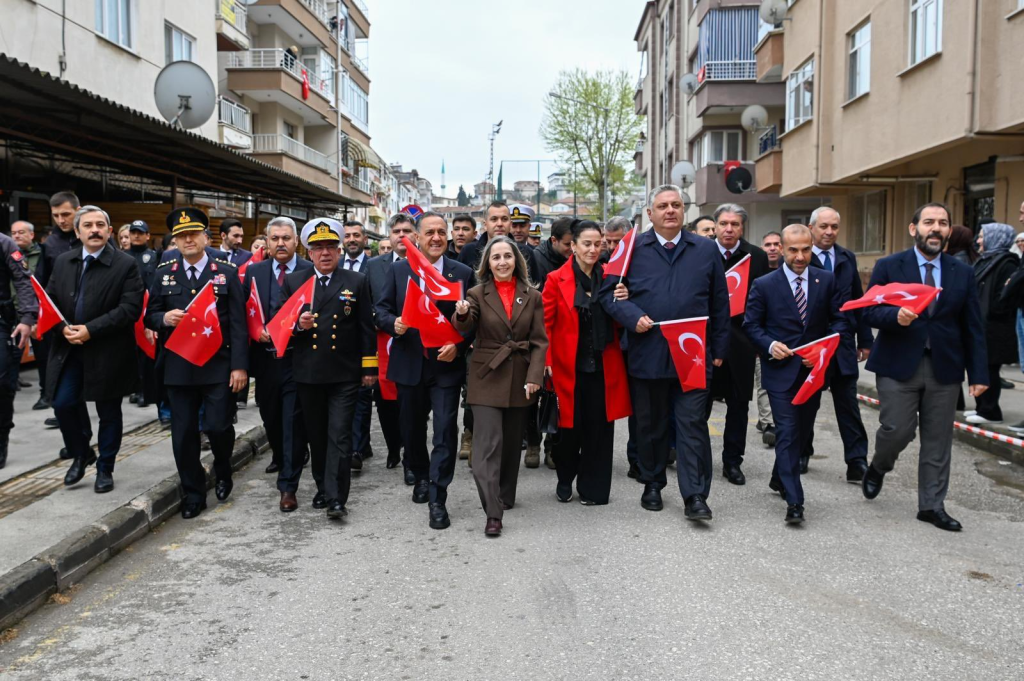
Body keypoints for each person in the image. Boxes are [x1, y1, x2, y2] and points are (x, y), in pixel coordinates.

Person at [600, 185, 730, 519]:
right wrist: (632, 317)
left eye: (675, 205)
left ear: (683, 210)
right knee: (650, 424)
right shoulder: (631, 248)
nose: (670, 210)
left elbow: (720, 301)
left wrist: (719, 346)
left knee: (692, 426)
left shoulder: (705, 249)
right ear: (650, 213)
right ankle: (653, 482)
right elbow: (607, 294)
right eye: (662, 206)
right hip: (648, 351)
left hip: (694, 355)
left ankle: (696, 496)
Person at [861, 203, 988, 532]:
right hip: (897, 364)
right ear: (913, 228)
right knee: (897, 429)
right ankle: (878, 465)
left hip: (944, 367)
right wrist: (896, 317)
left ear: (948, 231)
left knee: (938, 439)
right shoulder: (890, 266)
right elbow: (870, 312)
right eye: (929, 222)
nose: (936, 228)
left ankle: (931, 506)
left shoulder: (963, 272)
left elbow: (973, 326)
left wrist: (979, 375)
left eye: (943, 223)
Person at [145, 208, 248, 520]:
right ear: (175, 241)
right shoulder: (164, 273)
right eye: (181, 235)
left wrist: (239, 367)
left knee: (218, 426)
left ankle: (222, 467)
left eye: (193, 233)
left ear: (206, 237)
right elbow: (149, 314)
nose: (188, 239)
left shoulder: (226, 272)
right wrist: (163, 318)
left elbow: (239, 325)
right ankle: (193, 493)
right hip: (179, 366)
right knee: (184, 434)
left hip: (218, 365)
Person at [743, 225, 847, 524]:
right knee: (787, 432)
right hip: (779, 373)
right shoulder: (764, 284)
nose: (800, 256)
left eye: (805, 249)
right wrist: (771, 345)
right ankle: (795, 501)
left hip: (812, 374)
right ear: (781, 249)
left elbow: (839, 321)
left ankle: (779, 478)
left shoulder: (826, 280)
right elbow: (752, 326)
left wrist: (825, 349)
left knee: (800, 434)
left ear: (812, 247)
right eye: (793, 250)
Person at [376, 212, 473, 529]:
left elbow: (475, 320)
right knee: (412, 430)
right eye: (429, 232)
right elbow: (380, 310)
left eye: (441, 232)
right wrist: (394, 324)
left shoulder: (462, 273)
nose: (435, 237)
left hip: (446, 366)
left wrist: (459, 344)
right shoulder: (398, 271)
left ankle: (438, 496)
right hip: (409, 364)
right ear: (416, 238)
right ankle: (419, 473)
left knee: (445, 430)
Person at [282, 218, 377, 520]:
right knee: (317, 435)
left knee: (340, 434)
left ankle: (337, 498)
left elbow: (366, 328)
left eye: (330, 247)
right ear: (308, 252)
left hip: (344, 372)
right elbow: (281, 326)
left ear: (339, 251)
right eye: (318, 248)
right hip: (309, 373)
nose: (325, 253)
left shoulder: (355, 281)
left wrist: (369, 368)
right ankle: (323, 487)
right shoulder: (294, 282)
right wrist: (298, 325)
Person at [453, 237, 547, 536]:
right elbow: (465, 326)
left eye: (508, 256)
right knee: (486, 448)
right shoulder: (476, 293)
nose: (503, 262)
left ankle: (505, 494)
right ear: (488, 264)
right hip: (486, 374)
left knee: (510, 445)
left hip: (520, 377)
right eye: (496, 258)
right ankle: (493, 512)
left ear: (516, 261)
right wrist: (463, 312)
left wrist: (534, 377)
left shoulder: (531, 295)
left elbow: (539, 341)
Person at [46, 206, 143, 492]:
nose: (95, 230)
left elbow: (129, 309)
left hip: (108, 351)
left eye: (101, 224)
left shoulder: (125, 264)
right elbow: (49, 301)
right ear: (77, 232)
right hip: (70, 347)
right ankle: (81, 452)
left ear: (110, 231)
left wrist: (91, 330)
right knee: (63, 403)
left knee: (109, 411)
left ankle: (105, 468)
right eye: (87, 225)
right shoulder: (64, 261)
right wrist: (62, 327)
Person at [542, 220, 631, 505]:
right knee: (569, 431)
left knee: (600, 432)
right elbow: (545, 324)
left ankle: (593, 489)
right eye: (587, 244)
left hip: (603, 367)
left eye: (598, 244)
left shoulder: (611, 278)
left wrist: (624, 300)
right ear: (574, 247)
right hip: (567, 367)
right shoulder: (556, 279)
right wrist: (545, 362)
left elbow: (620, 322)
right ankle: (566, 477)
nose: (593, 249)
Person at [243, 217, 312, 511]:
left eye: (286, 238)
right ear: (267, 242)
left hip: (299, 358)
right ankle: (286, 457)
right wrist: (254, 330)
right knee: (271, 418)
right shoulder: (254, 272)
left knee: (292, 422)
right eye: (275, 239)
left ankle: (288, 486)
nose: (281, 243)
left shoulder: (311, 271)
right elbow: (245, 309)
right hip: (266, 359)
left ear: (296, 242)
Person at [806, 207, 873, 481]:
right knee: (807, 404)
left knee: (848, 405)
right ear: (811, 228)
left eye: (834, 226)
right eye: (824, 226)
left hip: (843, 344)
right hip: (812, 346)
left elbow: (859, 301)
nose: (829, 232)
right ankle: (800, 452)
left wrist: (866, 339)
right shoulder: (801, 257)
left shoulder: (846, 257)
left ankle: (857, 461)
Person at [708, 203, 771, 486]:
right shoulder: (702, 252)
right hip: (705, 342)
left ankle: (732, 462)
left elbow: (764, 300)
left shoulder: (756, 257)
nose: (729, 229)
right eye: (723, 224)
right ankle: (696, 459)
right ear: (716, 226)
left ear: (742, 227)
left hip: (742, 343)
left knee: (738, 406)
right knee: (699, 405)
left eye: (734, 224)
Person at [364, 213, 415, 474]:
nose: (401, 235)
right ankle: (394, 447)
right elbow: (366, 302)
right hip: (381, 343)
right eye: (396, 231)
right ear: (389, 235)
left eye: (407, 230)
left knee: (411, 402)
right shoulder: (373, 266)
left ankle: (410, 452)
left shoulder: (423, 263)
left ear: (415, 234)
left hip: (415, 345)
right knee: (385, 403)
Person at [962, 223, 1018, 425]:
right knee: (979, 365)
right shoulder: (985, 261)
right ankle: (981, 407)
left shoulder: (1007, 263)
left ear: (996, 238)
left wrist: (993, 312)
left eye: (982, 236)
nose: (978, 240)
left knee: (989, 368)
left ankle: (990, 410)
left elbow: (1005, 297)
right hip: (980, 323)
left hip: (995, 327)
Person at [0, 230, 37, 469]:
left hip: (2, 323)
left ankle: (1, 435)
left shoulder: (4, 243)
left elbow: (23, 280)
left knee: (3, 383)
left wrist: (27, 318)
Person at [341, 220, 373, 467]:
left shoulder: (374, 267)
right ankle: (353, 446)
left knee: (362, 401)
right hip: (340, 348)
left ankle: (357, 451)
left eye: (356, 235)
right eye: (347, 235)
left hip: (366, 342)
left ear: (365, 239)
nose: (351, 239)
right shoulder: (334, 265)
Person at [10, 220, 49, 411]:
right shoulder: (8, 254)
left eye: (21, 232)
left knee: (42, 356)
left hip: (36, 314)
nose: (16, 236)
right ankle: (11, 384)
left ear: (32, 235)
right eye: (13, 233)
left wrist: (35, 315)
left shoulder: (42, 254)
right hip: (11, 312)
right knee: (11, 354)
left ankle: (46, 394)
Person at [124, 220, 159, 409]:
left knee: (146, 355)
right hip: (128, 312)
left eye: (140, 233)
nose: (136, 236)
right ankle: (134, 388)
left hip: (147, 311)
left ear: (147, 235)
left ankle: (146, 391)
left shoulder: (154, 257)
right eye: (133, 232)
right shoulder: (122, 257)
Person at [754, 230, 783, 446]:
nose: (772, 248)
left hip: (787, 339)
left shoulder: (790, 272)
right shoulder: (757, 274)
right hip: (762, 338)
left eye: (776, 244)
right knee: (763, 381)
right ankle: (769, 424)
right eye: (767, 244)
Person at [458, 200, 513, 273]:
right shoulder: (468, 252)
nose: (499, 224)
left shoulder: (525, 252)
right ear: (485, 225)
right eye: (494, 219)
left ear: (510, 224)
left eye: (504, 219)